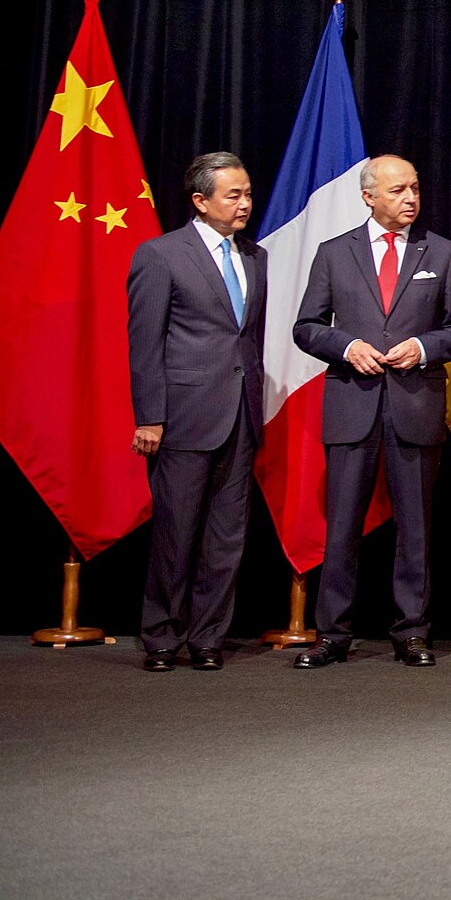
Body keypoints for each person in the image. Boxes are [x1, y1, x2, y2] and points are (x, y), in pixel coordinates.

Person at [289, 155, 451, 669]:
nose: (411, 198)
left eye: (415, 188)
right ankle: (332, 634)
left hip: (415, 406)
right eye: (398, 190)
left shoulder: (442, 251)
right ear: (369, 196)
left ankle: (411, 631)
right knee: (342, 524)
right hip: (352, 405)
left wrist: (422, 345)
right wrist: (347, 346)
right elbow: (306, 326)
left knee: (415, 526)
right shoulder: (334, 253)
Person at [126, 152, 267, 672]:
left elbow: (246, 340)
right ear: (200, 201)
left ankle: (208, 637)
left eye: (248, 193)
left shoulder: (256, 257)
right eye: (233, 195)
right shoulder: (161, 255)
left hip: (240, 417)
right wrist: (149, 416)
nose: (245, 204)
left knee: (226, 537)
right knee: (175, 533)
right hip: (183, 417)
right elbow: (144, 344)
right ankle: (162, 636)